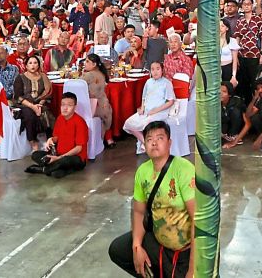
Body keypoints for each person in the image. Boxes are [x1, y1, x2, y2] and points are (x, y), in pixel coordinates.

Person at [107, 121, 195, 278]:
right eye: (149, 139)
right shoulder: (143, 171)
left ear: (169, 143)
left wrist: (193, 269)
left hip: (185, 251)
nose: (154, 142)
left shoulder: (184, 169)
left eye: (160, 138)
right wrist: (137, 248)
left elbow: (199, 221)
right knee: (118, 249)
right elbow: (139, 212)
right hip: (158, 241)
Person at [27, 92, 89, 178]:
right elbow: (56, 137)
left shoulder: (80, 122)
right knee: (35, 154)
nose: (65, 108)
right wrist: (51, 140)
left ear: (75, 107)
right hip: (59, 155)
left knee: (65, 161)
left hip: (75, 158)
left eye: (69, 105)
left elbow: (79, 148)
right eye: (63, 105)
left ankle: (45, 169)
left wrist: (59, 158)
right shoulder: (60, 118)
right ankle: (56, 169)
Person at [122, 61, 176, 145]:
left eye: (158, 69)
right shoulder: (148, 82)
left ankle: (147, 144)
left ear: (162, 70)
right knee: (128, 123)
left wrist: (155, 110)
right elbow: (144, 97)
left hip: (160, 111)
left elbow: (170, 101)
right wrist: (142, 108)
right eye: (152, 69)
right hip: (147, 110)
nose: (155, 72)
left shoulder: (167, 83)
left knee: (147, 124)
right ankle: (145, 143)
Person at [14, 54, 54, 143]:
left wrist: (40, 104)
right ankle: (33, 142)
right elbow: (17, 96)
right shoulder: (20, 77)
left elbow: (47, 93)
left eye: (35, 63)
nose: (33, 65)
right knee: (30, 115)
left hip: (39, 103)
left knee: (47, 115)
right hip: (25, 104)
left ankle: (50, 142)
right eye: (30, 63)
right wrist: (32, 106)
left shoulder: (43, 76)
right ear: (26, 65)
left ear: (39, 65)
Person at [81, 53, 115, 146]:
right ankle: (109, 138)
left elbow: (79, 84)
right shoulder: (101, 73)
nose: (85, 63)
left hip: (95, 106)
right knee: (106, 116)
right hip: (104, 104)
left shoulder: (89, 75)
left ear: (94, 64)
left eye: (87, 61)